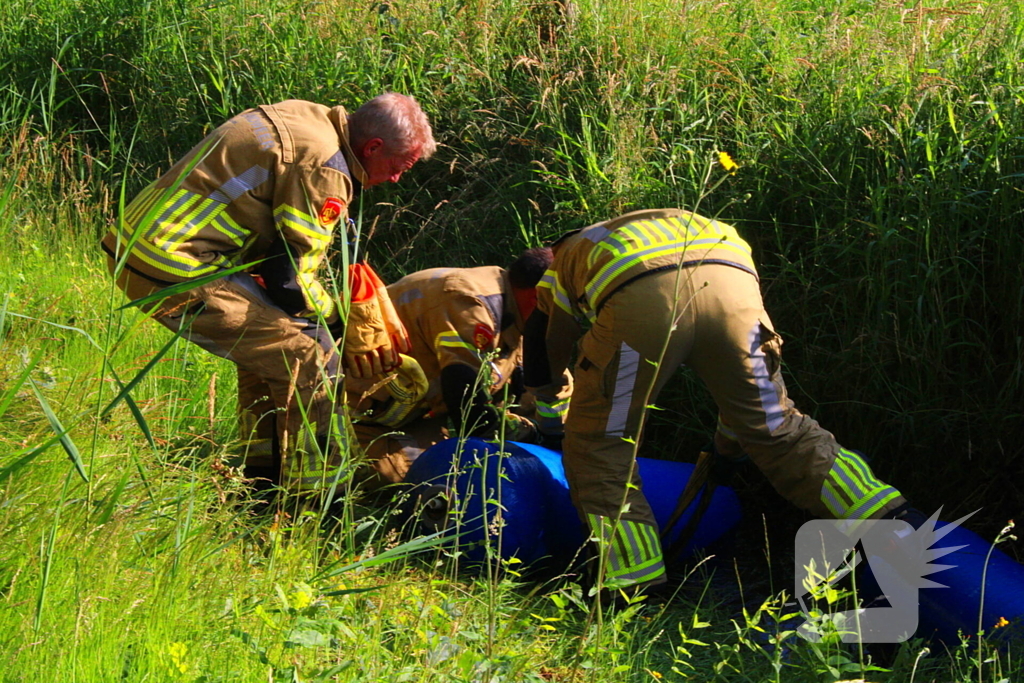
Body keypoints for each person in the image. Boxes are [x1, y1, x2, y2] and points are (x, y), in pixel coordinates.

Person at [523, 208, 917, 593]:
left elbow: (546, 356)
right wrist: (727, 451)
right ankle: (885, 515)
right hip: (733, 288)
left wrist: (553, 422)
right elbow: (738, 394)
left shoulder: (567, 258)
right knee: (778, 426)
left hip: (641, 307)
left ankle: (630, 582)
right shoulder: (664, 221)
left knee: (601, 446)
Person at [102, 94, 436, 495]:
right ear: (373, 147)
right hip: (174, 267)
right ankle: (315, 501)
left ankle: (260, 478)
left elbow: (278, 265)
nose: (397, 179)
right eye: (400, 167)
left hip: (142, 246)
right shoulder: (326, 166)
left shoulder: (307, 117)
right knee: (311, 360)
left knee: (273, 349)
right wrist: (342, 326)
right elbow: (287, 278)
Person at [347, 247, 573, 487]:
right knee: (421, 474)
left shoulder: (518, 308)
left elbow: (551, 384)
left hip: (417, 410)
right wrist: (531, 435)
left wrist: (562, 439)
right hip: (356, 418)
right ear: (538, 297)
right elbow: (470, 408)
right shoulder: (471, 305)